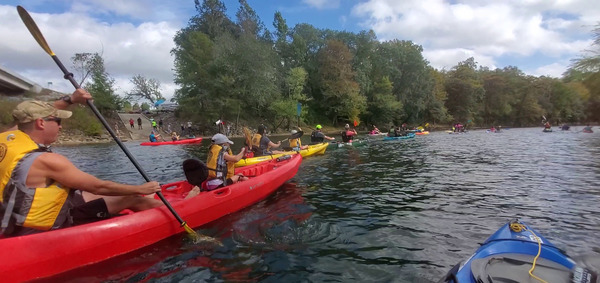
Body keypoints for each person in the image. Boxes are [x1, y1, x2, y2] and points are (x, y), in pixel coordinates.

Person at [0, 91, 162, 237]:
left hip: (12, 220)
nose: (61, 126)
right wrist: (141, 189)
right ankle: (176, 211)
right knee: (133, 197)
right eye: (57, 121)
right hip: (39, 233)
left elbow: (25, 117)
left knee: (97, 195)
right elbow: (99, 187)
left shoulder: (6, 140)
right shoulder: (47, 161)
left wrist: (71, 99)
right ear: (41, 123)